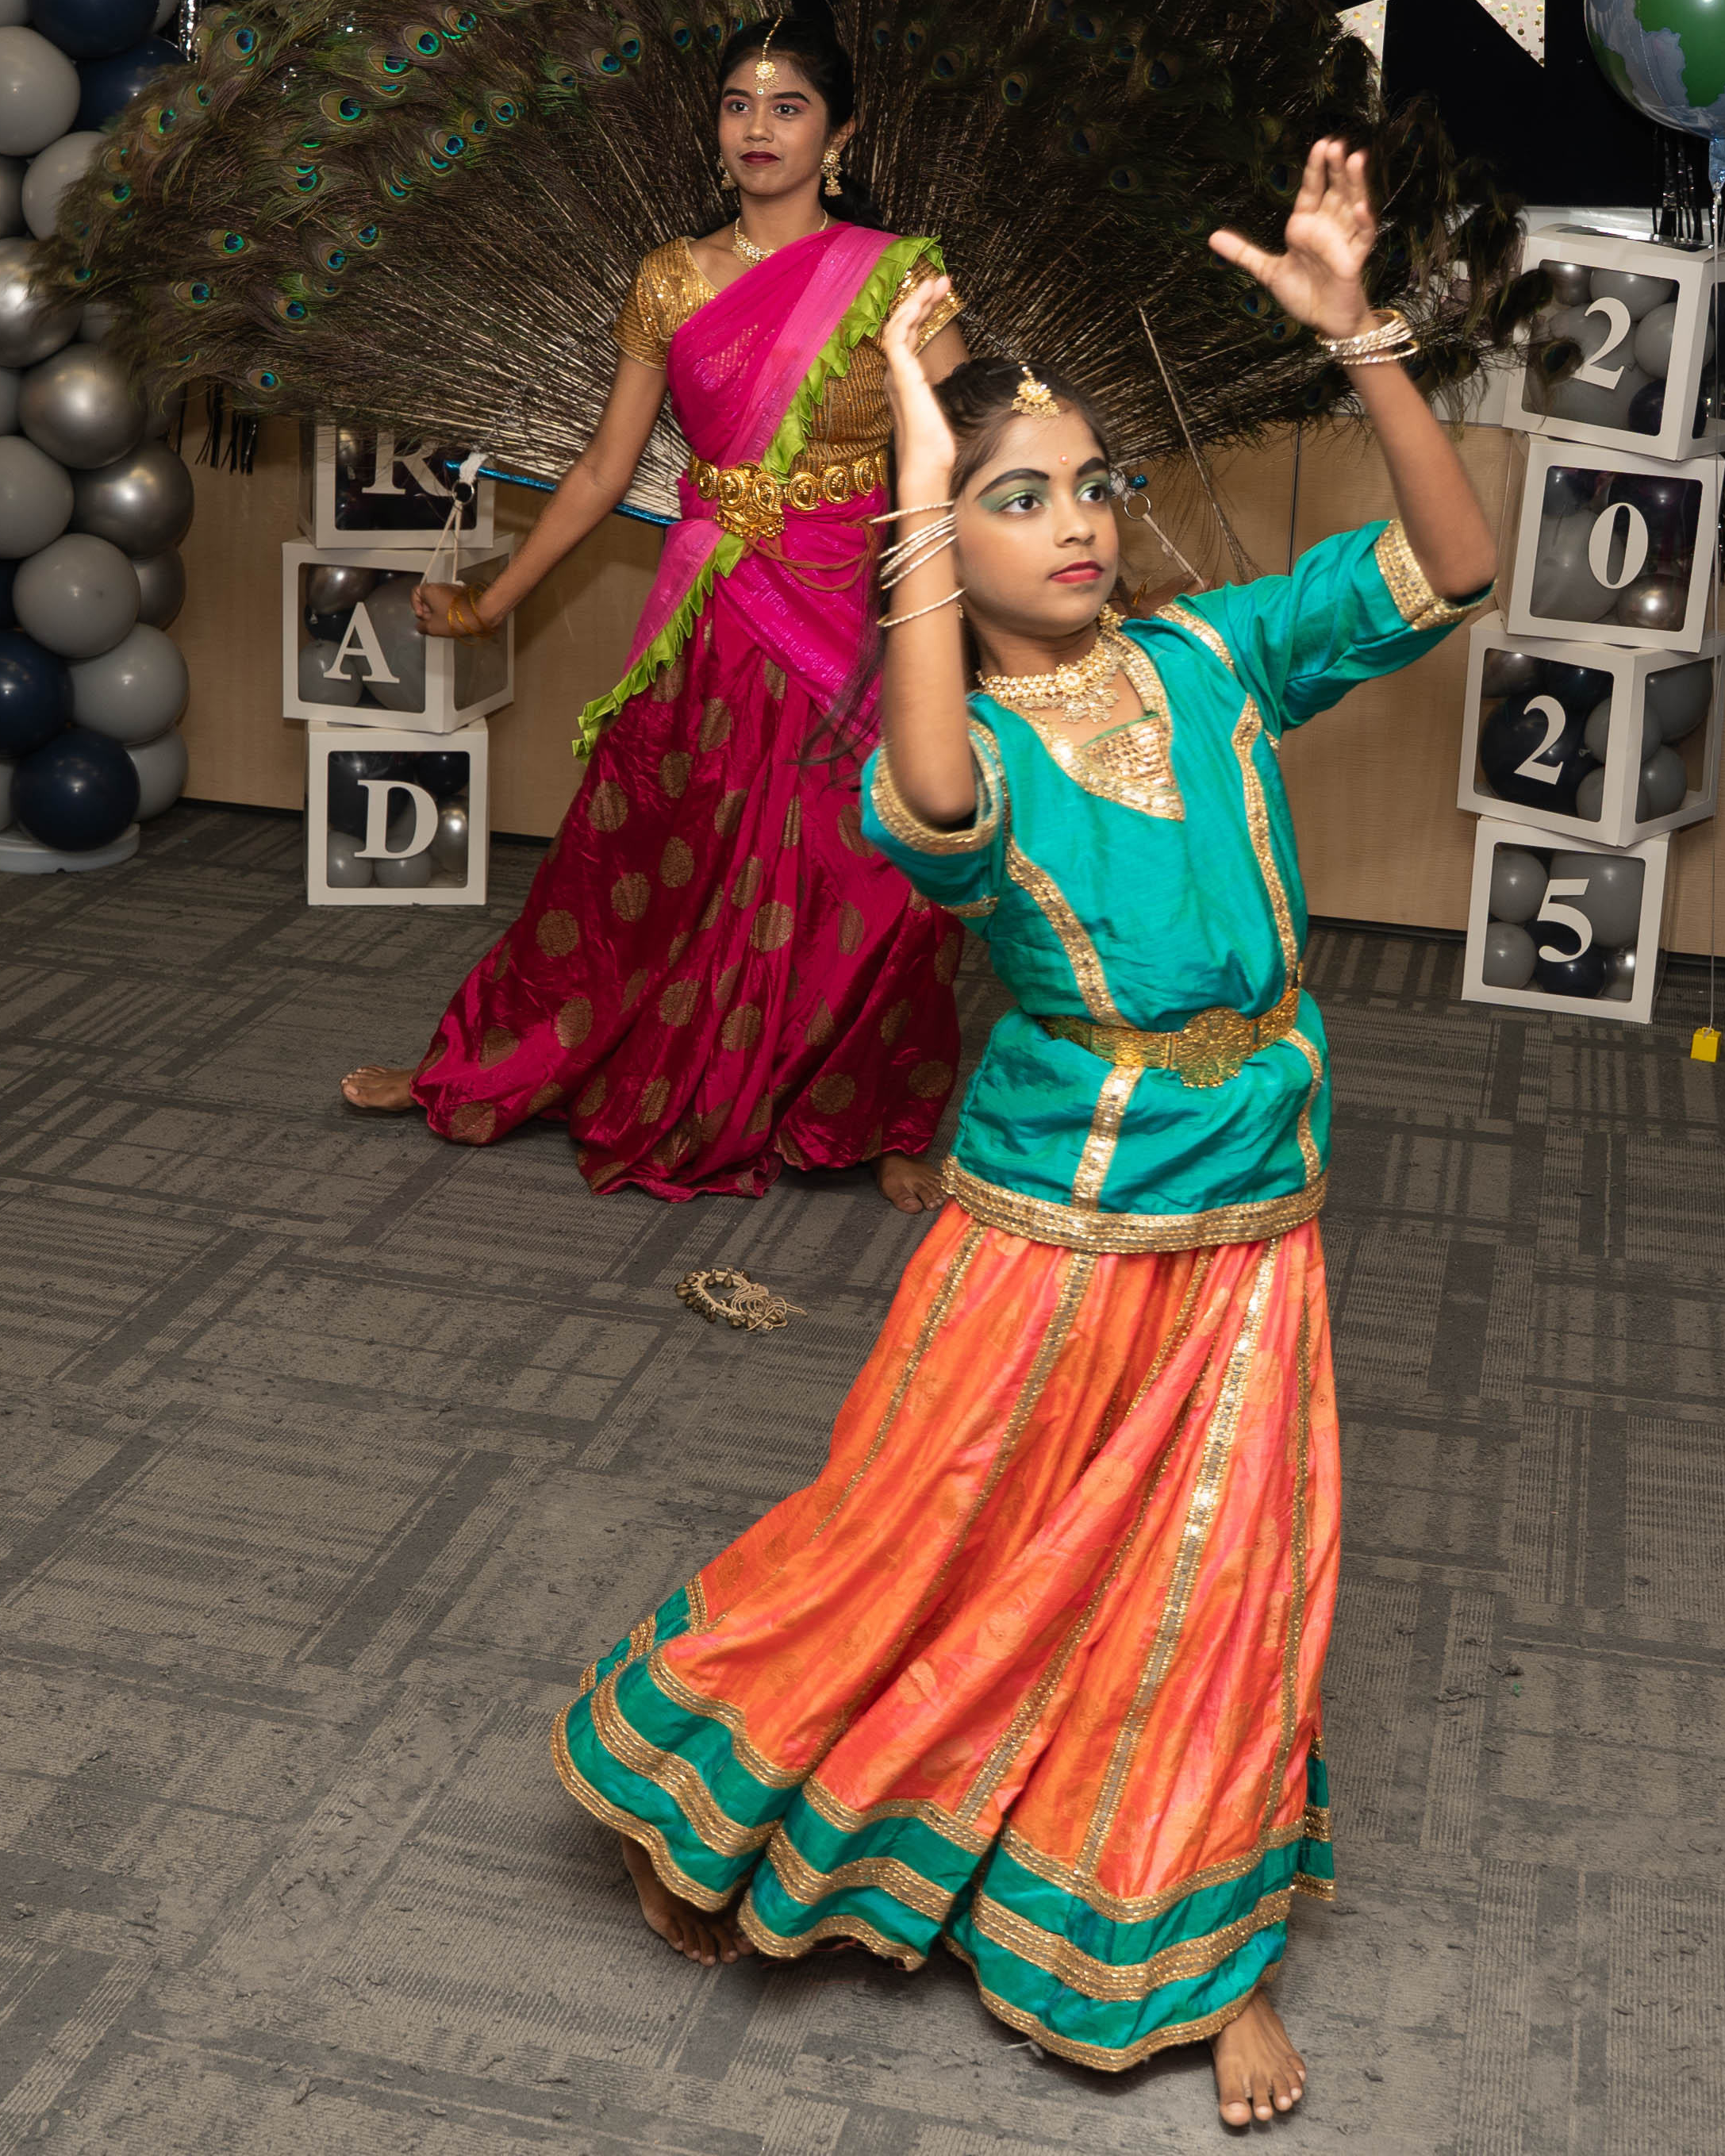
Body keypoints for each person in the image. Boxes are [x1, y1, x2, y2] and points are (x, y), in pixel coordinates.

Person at [551, 141, 1497, 2129]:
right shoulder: (956, 741)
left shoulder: (1208, 656)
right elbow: (923, 782)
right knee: (936, 1532)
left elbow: (1450, 564)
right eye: (1016, 496)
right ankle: (714, 1786)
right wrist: (910, 476)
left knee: (1222, 1562)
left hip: (1259, 1190)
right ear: (937, 539)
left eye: (1088, 484)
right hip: (1057, 1211)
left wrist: (1366, 346)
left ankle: (1187, 1936)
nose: (1073, 523)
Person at [340, 29, 971, 1211]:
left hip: (855, 600)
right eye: (737, 104)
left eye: (788, 106)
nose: (757, 128)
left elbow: (964, 450)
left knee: (887, 864)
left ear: (841, 133)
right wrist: (487, 604)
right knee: (645, 853)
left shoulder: (896, 273)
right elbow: (601, 470)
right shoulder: (669, 278)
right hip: (715, 605)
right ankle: (497, 1060)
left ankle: (878, 1112)